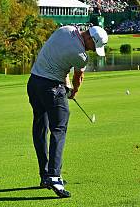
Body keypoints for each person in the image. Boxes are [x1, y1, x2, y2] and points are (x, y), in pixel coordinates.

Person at [26, 25, 109, 198]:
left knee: (40, 127)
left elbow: (60, 61)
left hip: (33, 83)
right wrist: (73, 91)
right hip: (52, 89)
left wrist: (67, 84)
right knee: (59, 129)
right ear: (90, 39)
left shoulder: (64, 29)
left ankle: (45, 175)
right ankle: (54, 176)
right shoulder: (81, 56)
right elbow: (78, 78)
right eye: (93, 47)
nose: (92, 50)